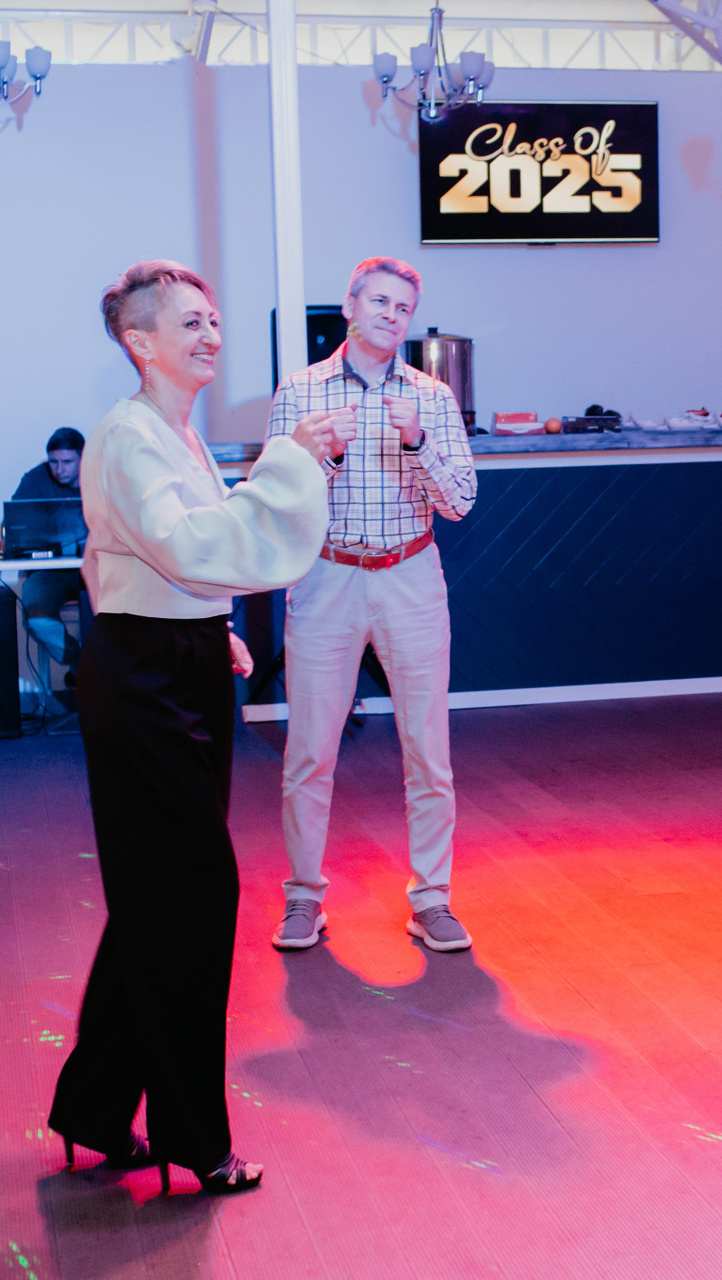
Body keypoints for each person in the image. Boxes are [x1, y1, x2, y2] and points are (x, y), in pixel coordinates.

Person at [48, 260, 349, 1195]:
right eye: (189, 322)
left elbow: (164, 557)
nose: (211, 334)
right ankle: (193, 1137)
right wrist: (289, 460)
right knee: (194, 897)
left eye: (213, 319)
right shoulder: (129, 434)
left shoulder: (172, 432)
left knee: (157, 898)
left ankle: (95, 1109)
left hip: (176, 661)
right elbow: (188, 546)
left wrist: (208, 630)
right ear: (139, 342)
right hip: (144, 680)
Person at [267, 257, 478, 955]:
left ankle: (433, 899)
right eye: (380, 301)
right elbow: (276, 500)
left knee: (428, 750)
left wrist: (417, 441)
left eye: (403, 307)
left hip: (411, 574)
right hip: (327, 576)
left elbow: (461, 502)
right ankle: (304, 898)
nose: (392, 315)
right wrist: (323, 458)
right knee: (309, 751)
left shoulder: (432, 398)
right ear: (350, 306)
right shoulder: (300, 392)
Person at [11, 427, 87, 667]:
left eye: (67, 462)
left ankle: (98, 672)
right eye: (54, 462)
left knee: (118, 616)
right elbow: (16, 526)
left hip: (95, 568)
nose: (59, 469)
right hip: (48, 573)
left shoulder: (100, 477)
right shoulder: (35, 479)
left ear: (83, 458)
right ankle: (82, 666)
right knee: (36, 618)